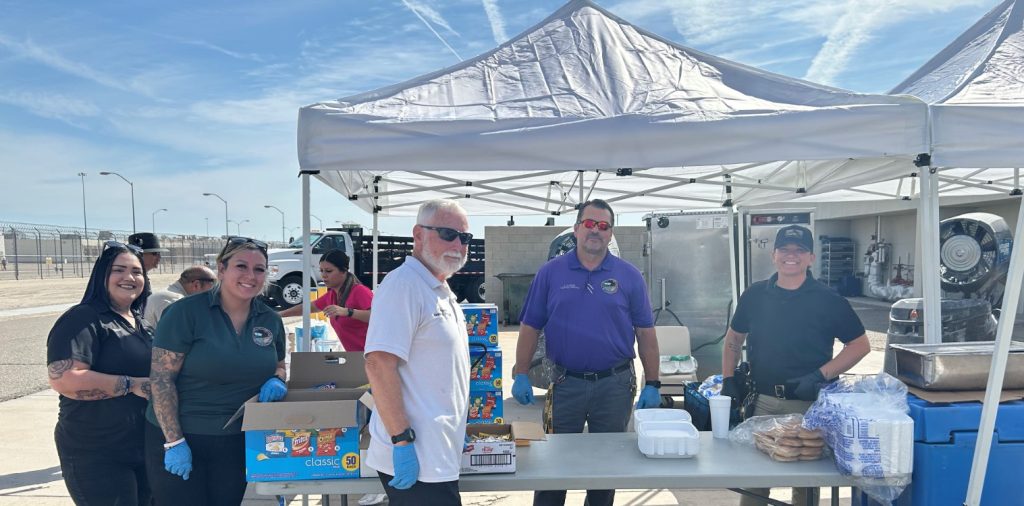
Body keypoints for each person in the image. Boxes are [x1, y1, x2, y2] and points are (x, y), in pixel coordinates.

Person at [511, 199, 661, 506]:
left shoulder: (629, 275)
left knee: (605, 469)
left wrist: (654, 382)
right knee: (553, 465)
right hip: (565, 383)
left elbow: (645, 332)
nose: (595, 231)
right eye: (589, 224)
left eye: (603, 226)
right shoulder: (551, 273)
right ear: (577, 228)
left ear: (610, 233)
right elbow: (530, 326)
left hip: (615, 385)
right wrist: (521, 372)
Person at [721, 224, 870, 506]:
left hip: (809, 407)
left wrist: (820, 375)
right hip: (762, 401)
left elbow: (860, 345)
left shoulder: (828, 299)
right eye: (785, 250)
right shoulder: (754, 295)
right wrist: (728, 380)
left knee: (806, 486)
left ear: (811, 257)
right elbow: (733, 338)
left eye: (800, 250)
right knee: (754, 483)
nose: (792, 256)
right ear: (774, 255)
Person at [145, 237, 287, 505]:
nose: (250, 276)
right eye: (241, 266)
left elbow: (279, 364)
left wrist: (278, 378)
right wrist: (174, 442)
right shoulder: (185, 313)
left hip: (236, 439)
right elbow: (162, 379)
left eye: (259, 269)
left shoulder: (270, 319)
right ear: (222, 269)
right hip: (182, 436)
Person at [364, 199, 471, 506]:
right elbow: (378, 364)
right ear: (418, 234)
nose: (458, 244)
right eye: (448, 234)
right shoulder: (404, 285)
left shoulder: (439, 290)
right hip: (417, 455)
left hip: (437, 453)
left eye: (464, 238)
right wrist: (401, 440)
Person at [46, 240, 154, 505]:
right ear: (102, 275)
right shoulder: (83, 318)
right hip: (95, 452)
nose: (129, 277)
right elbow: (65, 379)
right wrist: (133, 384)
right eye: (119, 270)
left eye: (137, 272)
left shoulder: (140, 323)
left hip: (141, 447)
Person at [279, 249, 373, 351]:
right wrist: (279, 314)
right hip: (355, 357)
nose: (323, 275)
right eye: (321, 271)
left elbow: (377, 317)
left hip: (374, 356)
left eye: (328, 271)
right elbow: (307, 308)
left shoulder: (360, 291)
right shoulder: (331, 295)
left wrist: (347, 312)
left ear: (343, 271)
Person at [144, 265, 217, 326]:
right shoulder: (176, 301)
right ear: (196, 285)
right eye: (211, 290)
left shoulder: (171, 294)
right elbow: (176, 337)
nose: (211, 295)